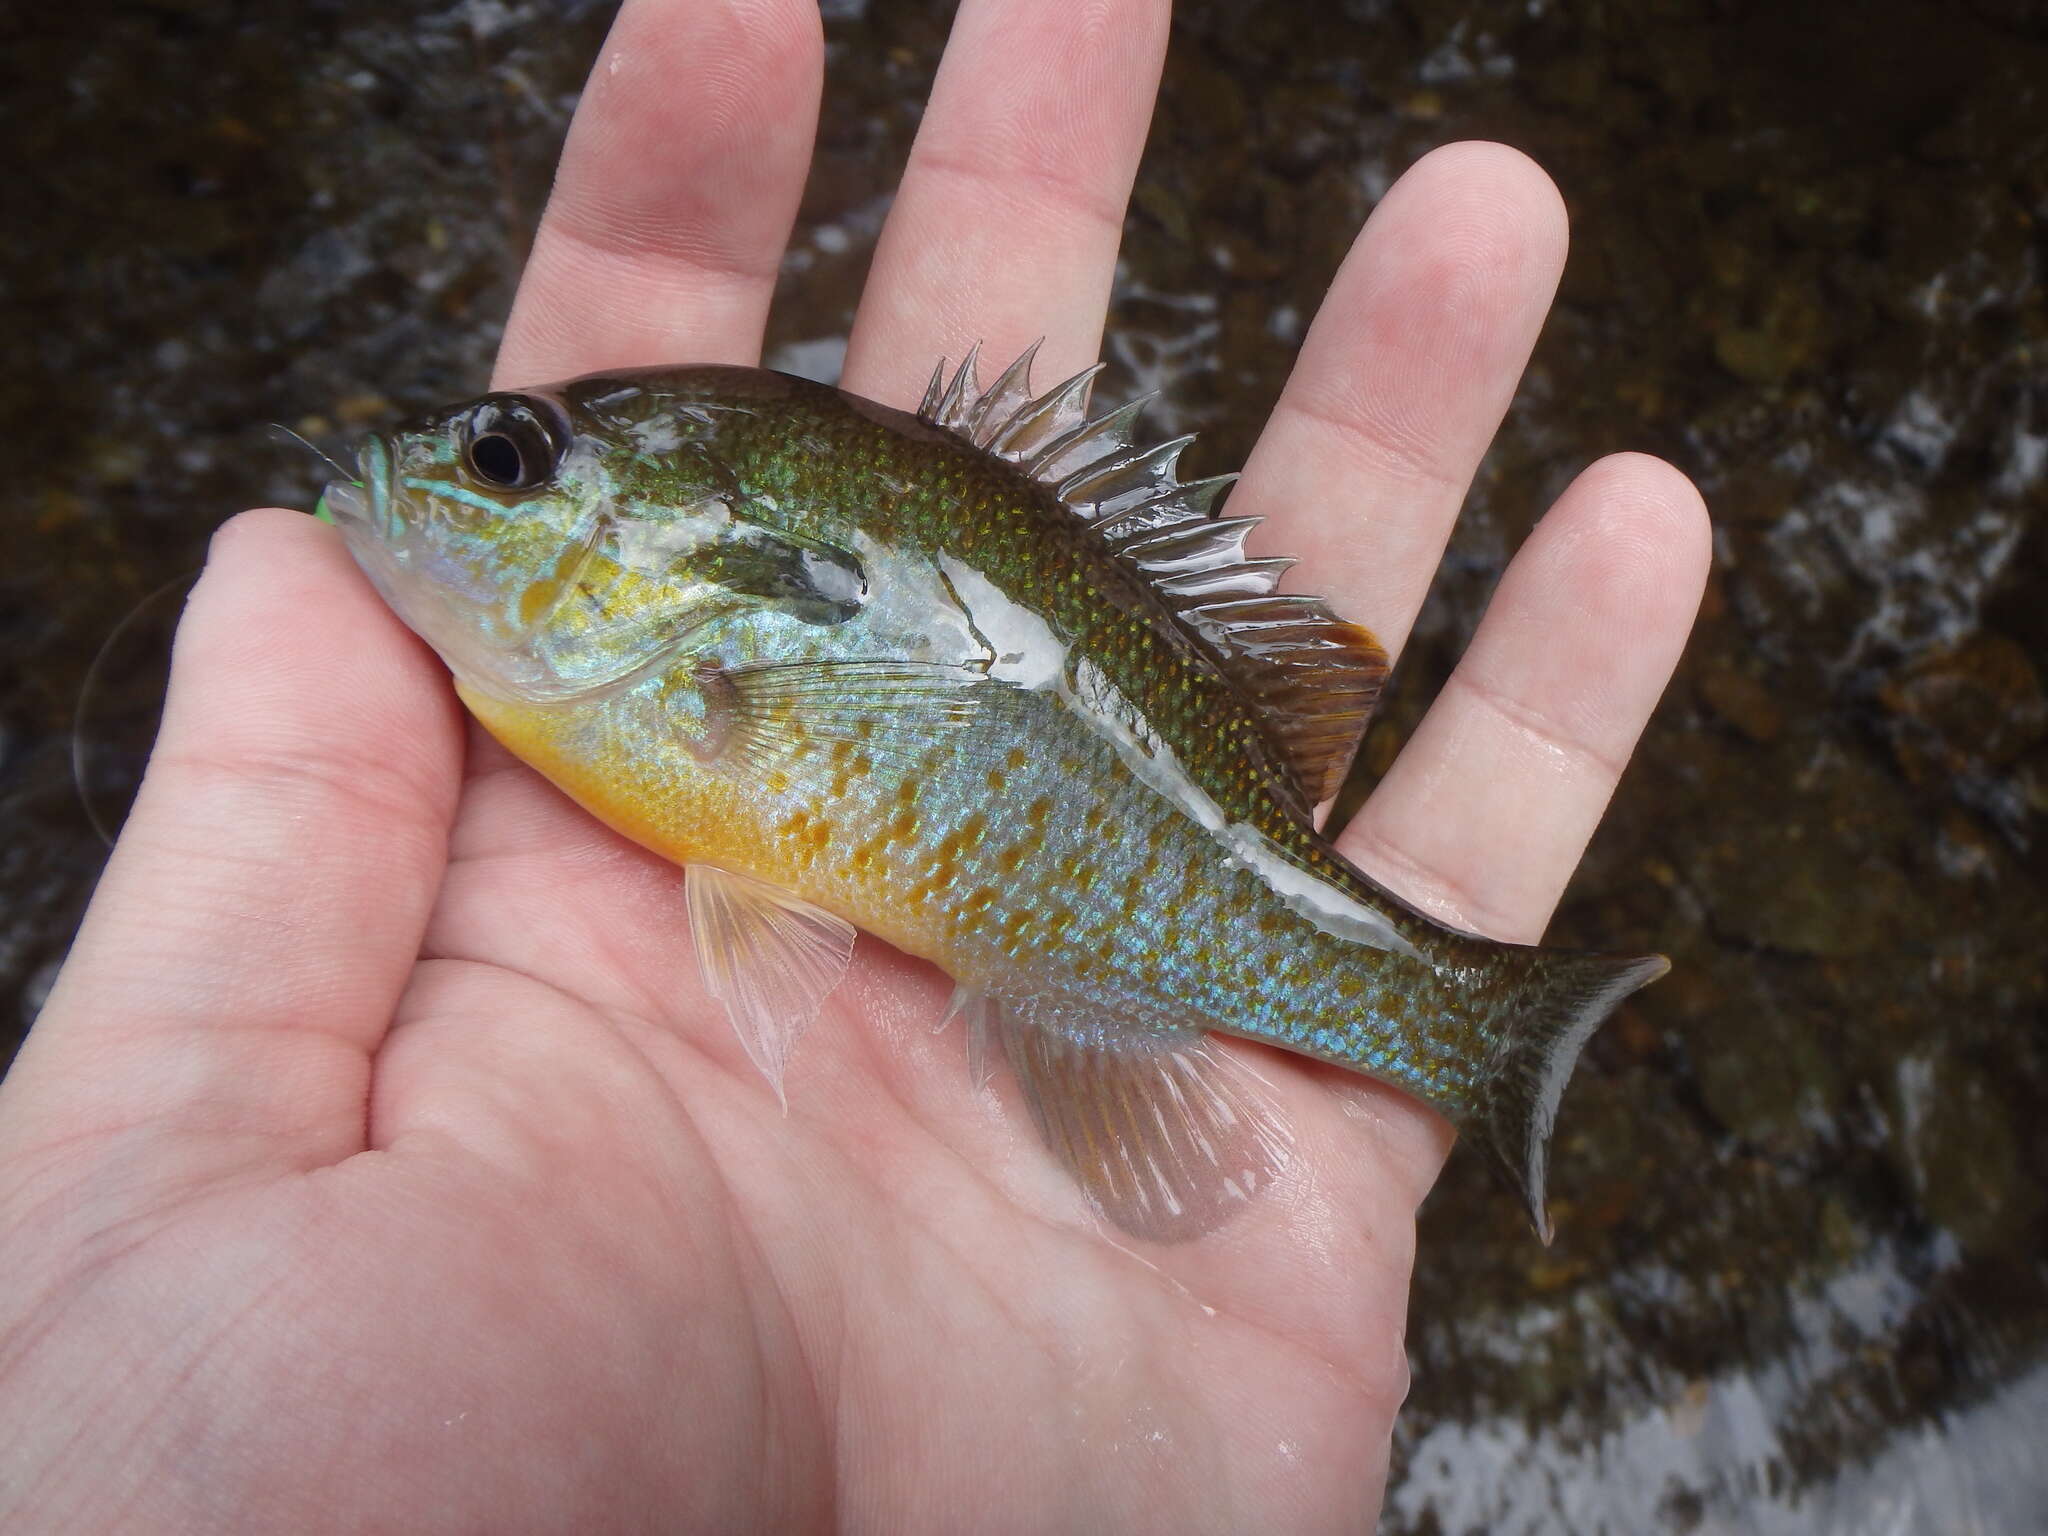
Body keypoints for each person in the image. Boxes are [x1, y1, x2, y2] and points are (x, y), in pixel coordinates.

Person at [0, 1, 1708, 1530]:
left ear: (685, 547)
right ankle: (1482, 1024)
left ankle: (1487, 1027)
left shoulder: (647, 674)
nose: (431, 474)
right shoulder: (633, 667)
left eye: (507, 458)